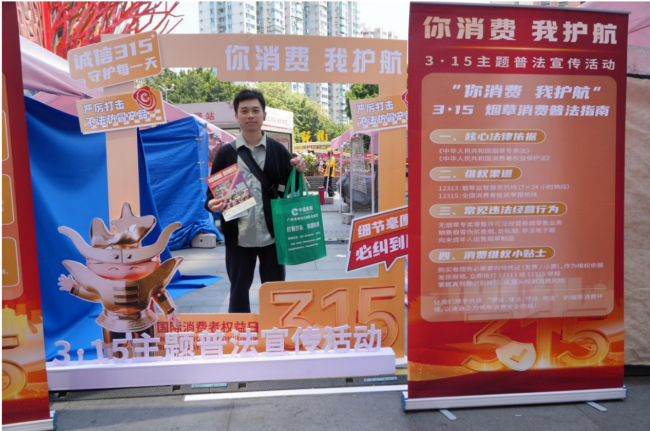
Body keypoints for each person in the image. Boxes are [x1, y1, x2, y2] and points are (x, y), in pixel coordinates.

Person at [205, 89, 306, 313]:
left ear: (264, 115)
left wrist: (299, 171)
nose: (250, 115)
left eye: (255, 110)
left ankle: (275, 329)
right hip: (238, 237)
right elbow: (211, 195)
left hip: (272, 236)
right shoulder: (226, 153)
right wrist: (211, 204)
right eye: (244, 111)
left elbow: (292, 189)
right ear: (236, 116)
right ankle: (240, 332)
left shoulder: (279, 151)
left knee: (275, 292)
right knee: (238, 291)